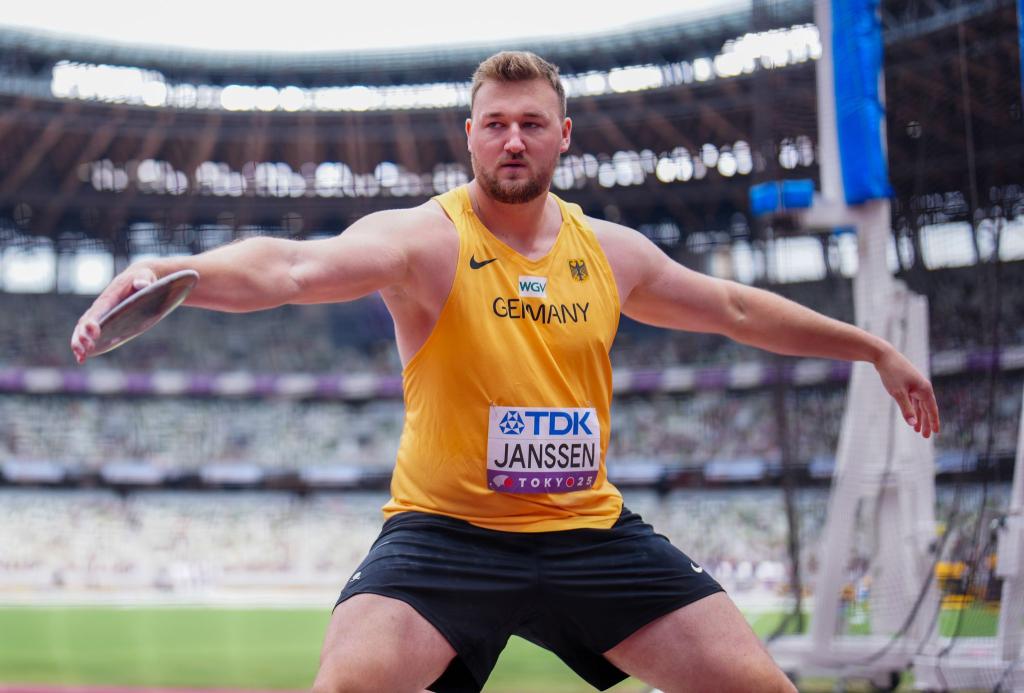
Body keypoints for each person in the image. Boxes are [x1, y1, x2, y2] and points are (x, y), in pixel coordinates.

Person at [71, 51, 940, 693]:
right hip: (446, 536)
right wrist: (163, 275)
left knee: (766, 690)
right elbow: (294, 268)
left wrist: (874, 347)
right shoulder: (426, 240)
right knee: (345, 689)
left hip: (589, 532)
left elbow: (738, 309)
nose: (513, 139)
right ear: (471, 136)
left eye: (530, 123)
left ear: (562, 135)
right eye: (496, 123)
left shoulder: (613, 253)